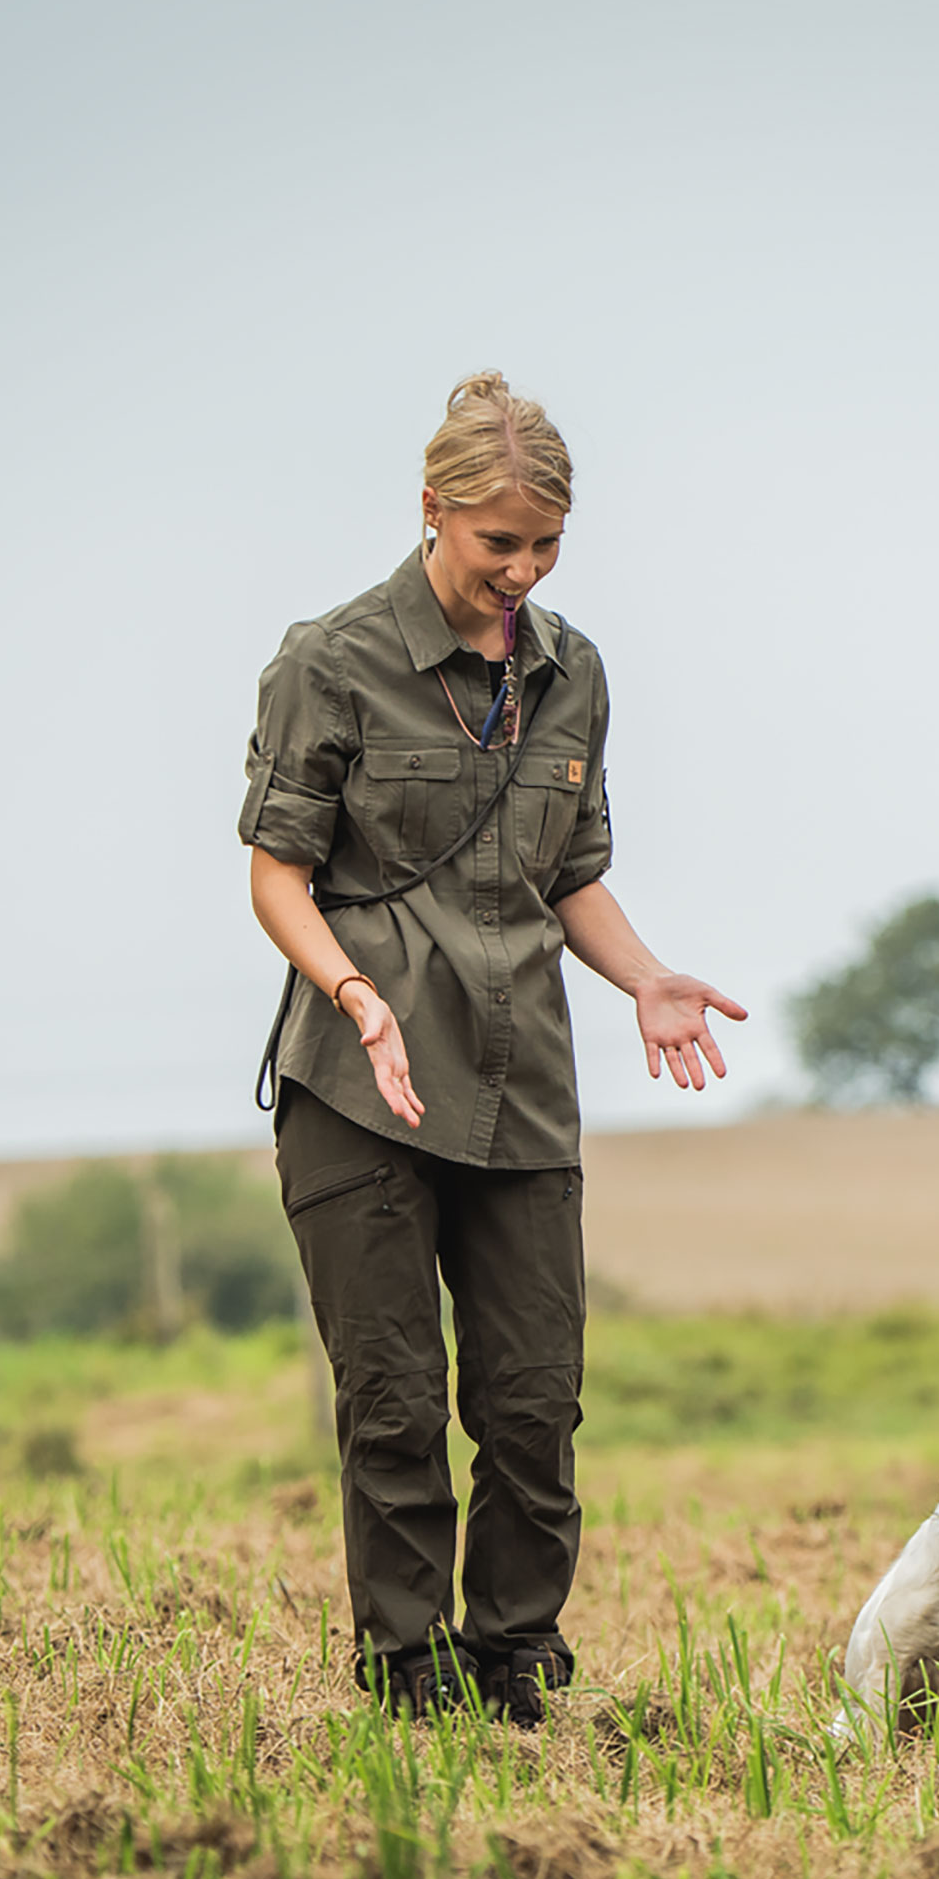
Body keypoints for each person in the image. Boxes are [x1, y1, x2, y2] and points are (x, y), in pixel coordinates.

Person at [240, 372, 744, 1724]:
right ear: (432, 513)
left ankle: (516, 1666)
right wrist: (352, 994)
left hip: (520, 1090)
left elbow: (571, 870)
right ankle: (408, 1681)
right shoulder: (329, 662)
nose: (518, 574)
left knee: (532, 1407)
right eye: (495, 545)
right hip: (362, 1086)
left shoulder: (569, 674)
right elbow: (276, 874)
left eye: (545, 548)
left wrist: (645, 979)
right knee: (396, 1405)